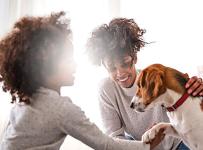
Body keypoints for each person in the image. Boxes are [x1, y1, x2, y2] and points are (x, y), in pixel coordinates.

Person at [0, 12, 165, 150]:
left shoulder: (25, 100)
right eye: (67, 59)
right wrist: (146, 146)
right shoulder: (59, 108)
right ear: (47, 67)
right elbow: (105, 144)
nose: (74, 64)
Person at [86, 18, 203, 150]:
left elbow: (188, 108)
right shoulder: (106, 89)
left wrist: (197, 87)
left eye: (125, 63)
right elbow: (114, 140)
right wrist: (146, 146)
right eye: (112, 68)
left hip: (178, 143)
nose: (120, 73)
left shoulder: (152, 79)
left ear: (134, 58)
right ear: (104, 66)